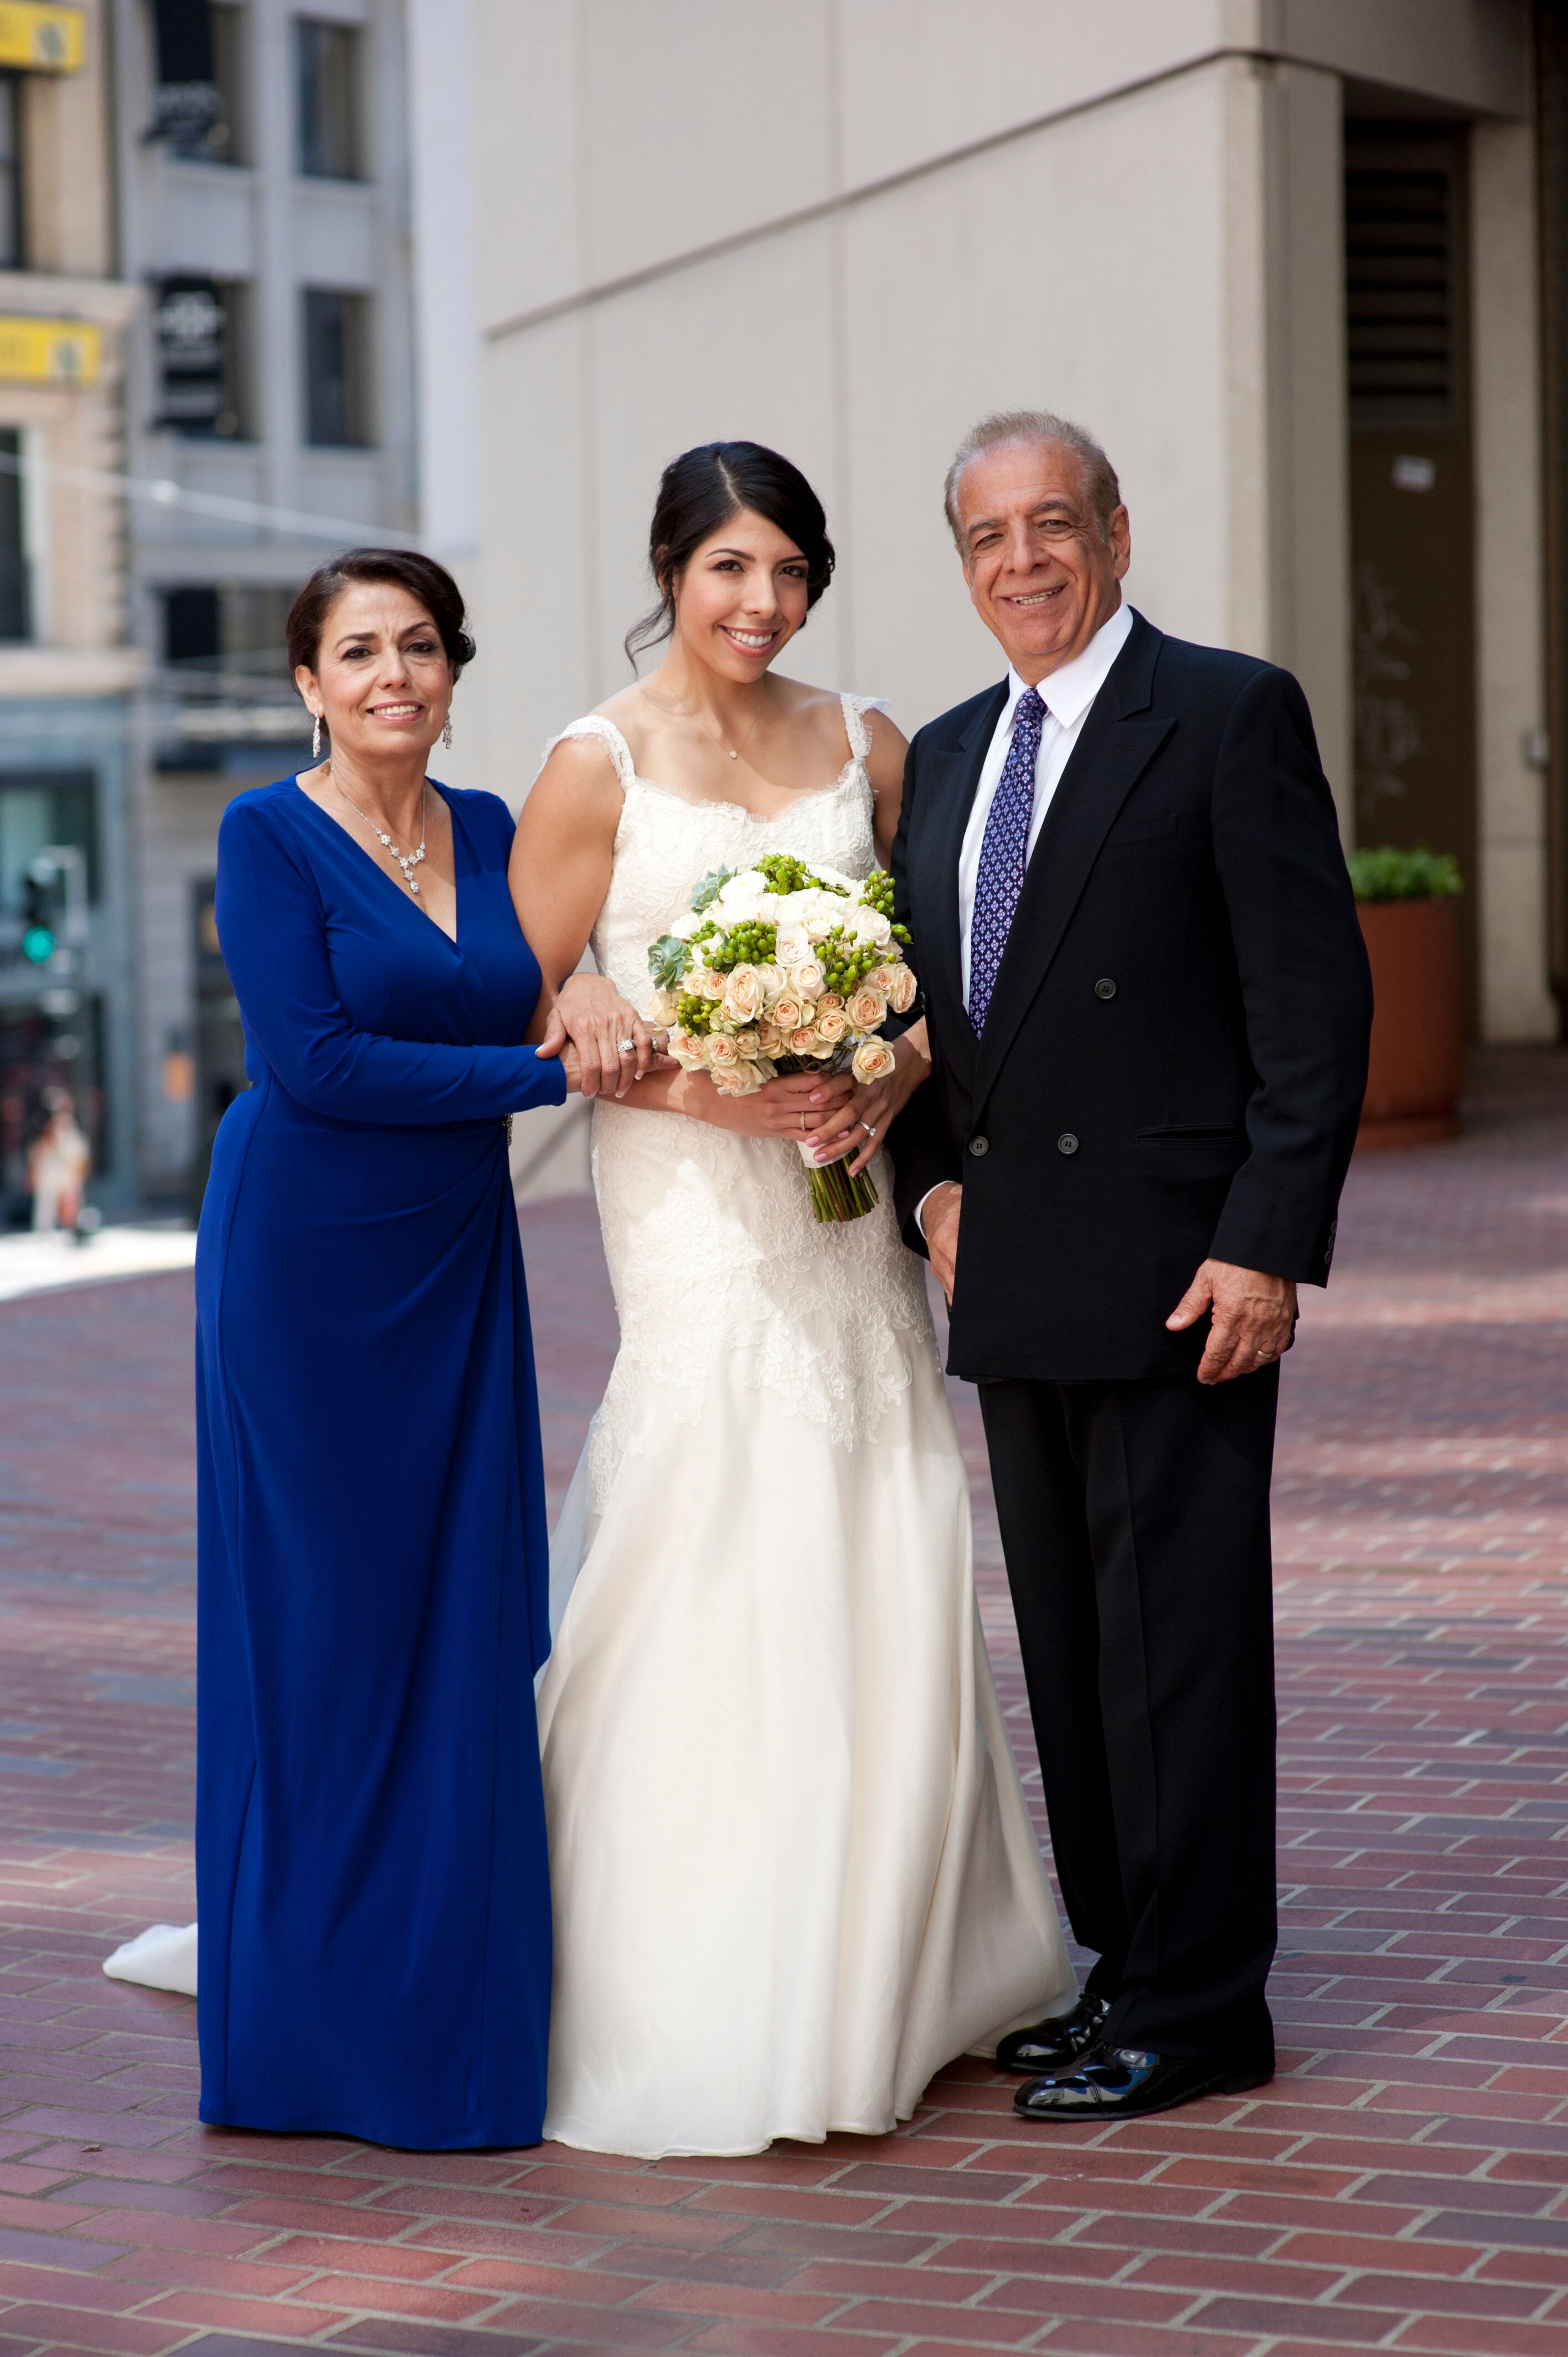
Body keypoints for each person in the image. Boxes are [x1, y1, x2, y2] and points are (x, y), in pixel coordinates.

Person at [510, 439, 1075, 2159]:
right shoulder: (592, 763)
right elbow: (518, 1002)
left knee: (877, 1512)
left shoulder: (866, 741)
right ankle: (691, 1966)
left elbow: (948, 979)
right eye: (727, 570)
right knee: (705, 1521)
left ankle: (906, 1962)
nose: (760, 605)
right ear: (669, 572)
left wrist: (887, 1074)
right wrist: (692, 1080)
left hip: (847, 1208)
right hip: (691, 1205)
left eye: (788, 572)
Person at [889, 411, 1373, 2123]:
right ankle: (1120, 1961)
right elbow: (924, 1026)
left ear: (1111, 529)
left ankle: (1201, 1997)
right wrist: (928, 1191)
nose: (1020, 560)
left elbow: (1310, 1006)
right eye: (984, 535)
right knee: (1076, 1644)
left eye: (1049, 524)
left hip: (1180, 1269)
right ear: (958, 563)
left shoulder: (1226, 712)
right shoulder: (946, 753)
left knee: (1176, 1644)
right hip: (1013, 1266)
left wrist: (1265, 1240)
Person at [104, 549, 580, 2150]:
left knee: (458, 1618)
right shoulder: (265, 835)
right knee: (319, 1630)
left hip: (455, 1259)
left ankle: (443, 2017)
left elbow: (553, 1000)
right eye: (359, 650)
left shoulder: (502, 829)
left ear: (454, 669)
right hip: (306, 1270)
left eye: (423, 645)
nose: (395, 674)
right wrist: (545, 1085)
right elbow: (317, 1065)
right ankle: (304, 2038)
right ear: (308, 683)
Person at [28, 1089, 90, 1234]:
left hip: (67, 1173)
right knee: (46, 1207)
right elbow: (40, 1152)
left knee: (73, 1205)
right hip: (50, 1174)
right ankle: (45, 1234)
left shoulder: (70, 1126)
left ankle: (75, 1231)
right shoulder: (47, 1128)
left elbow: (77, 1152)